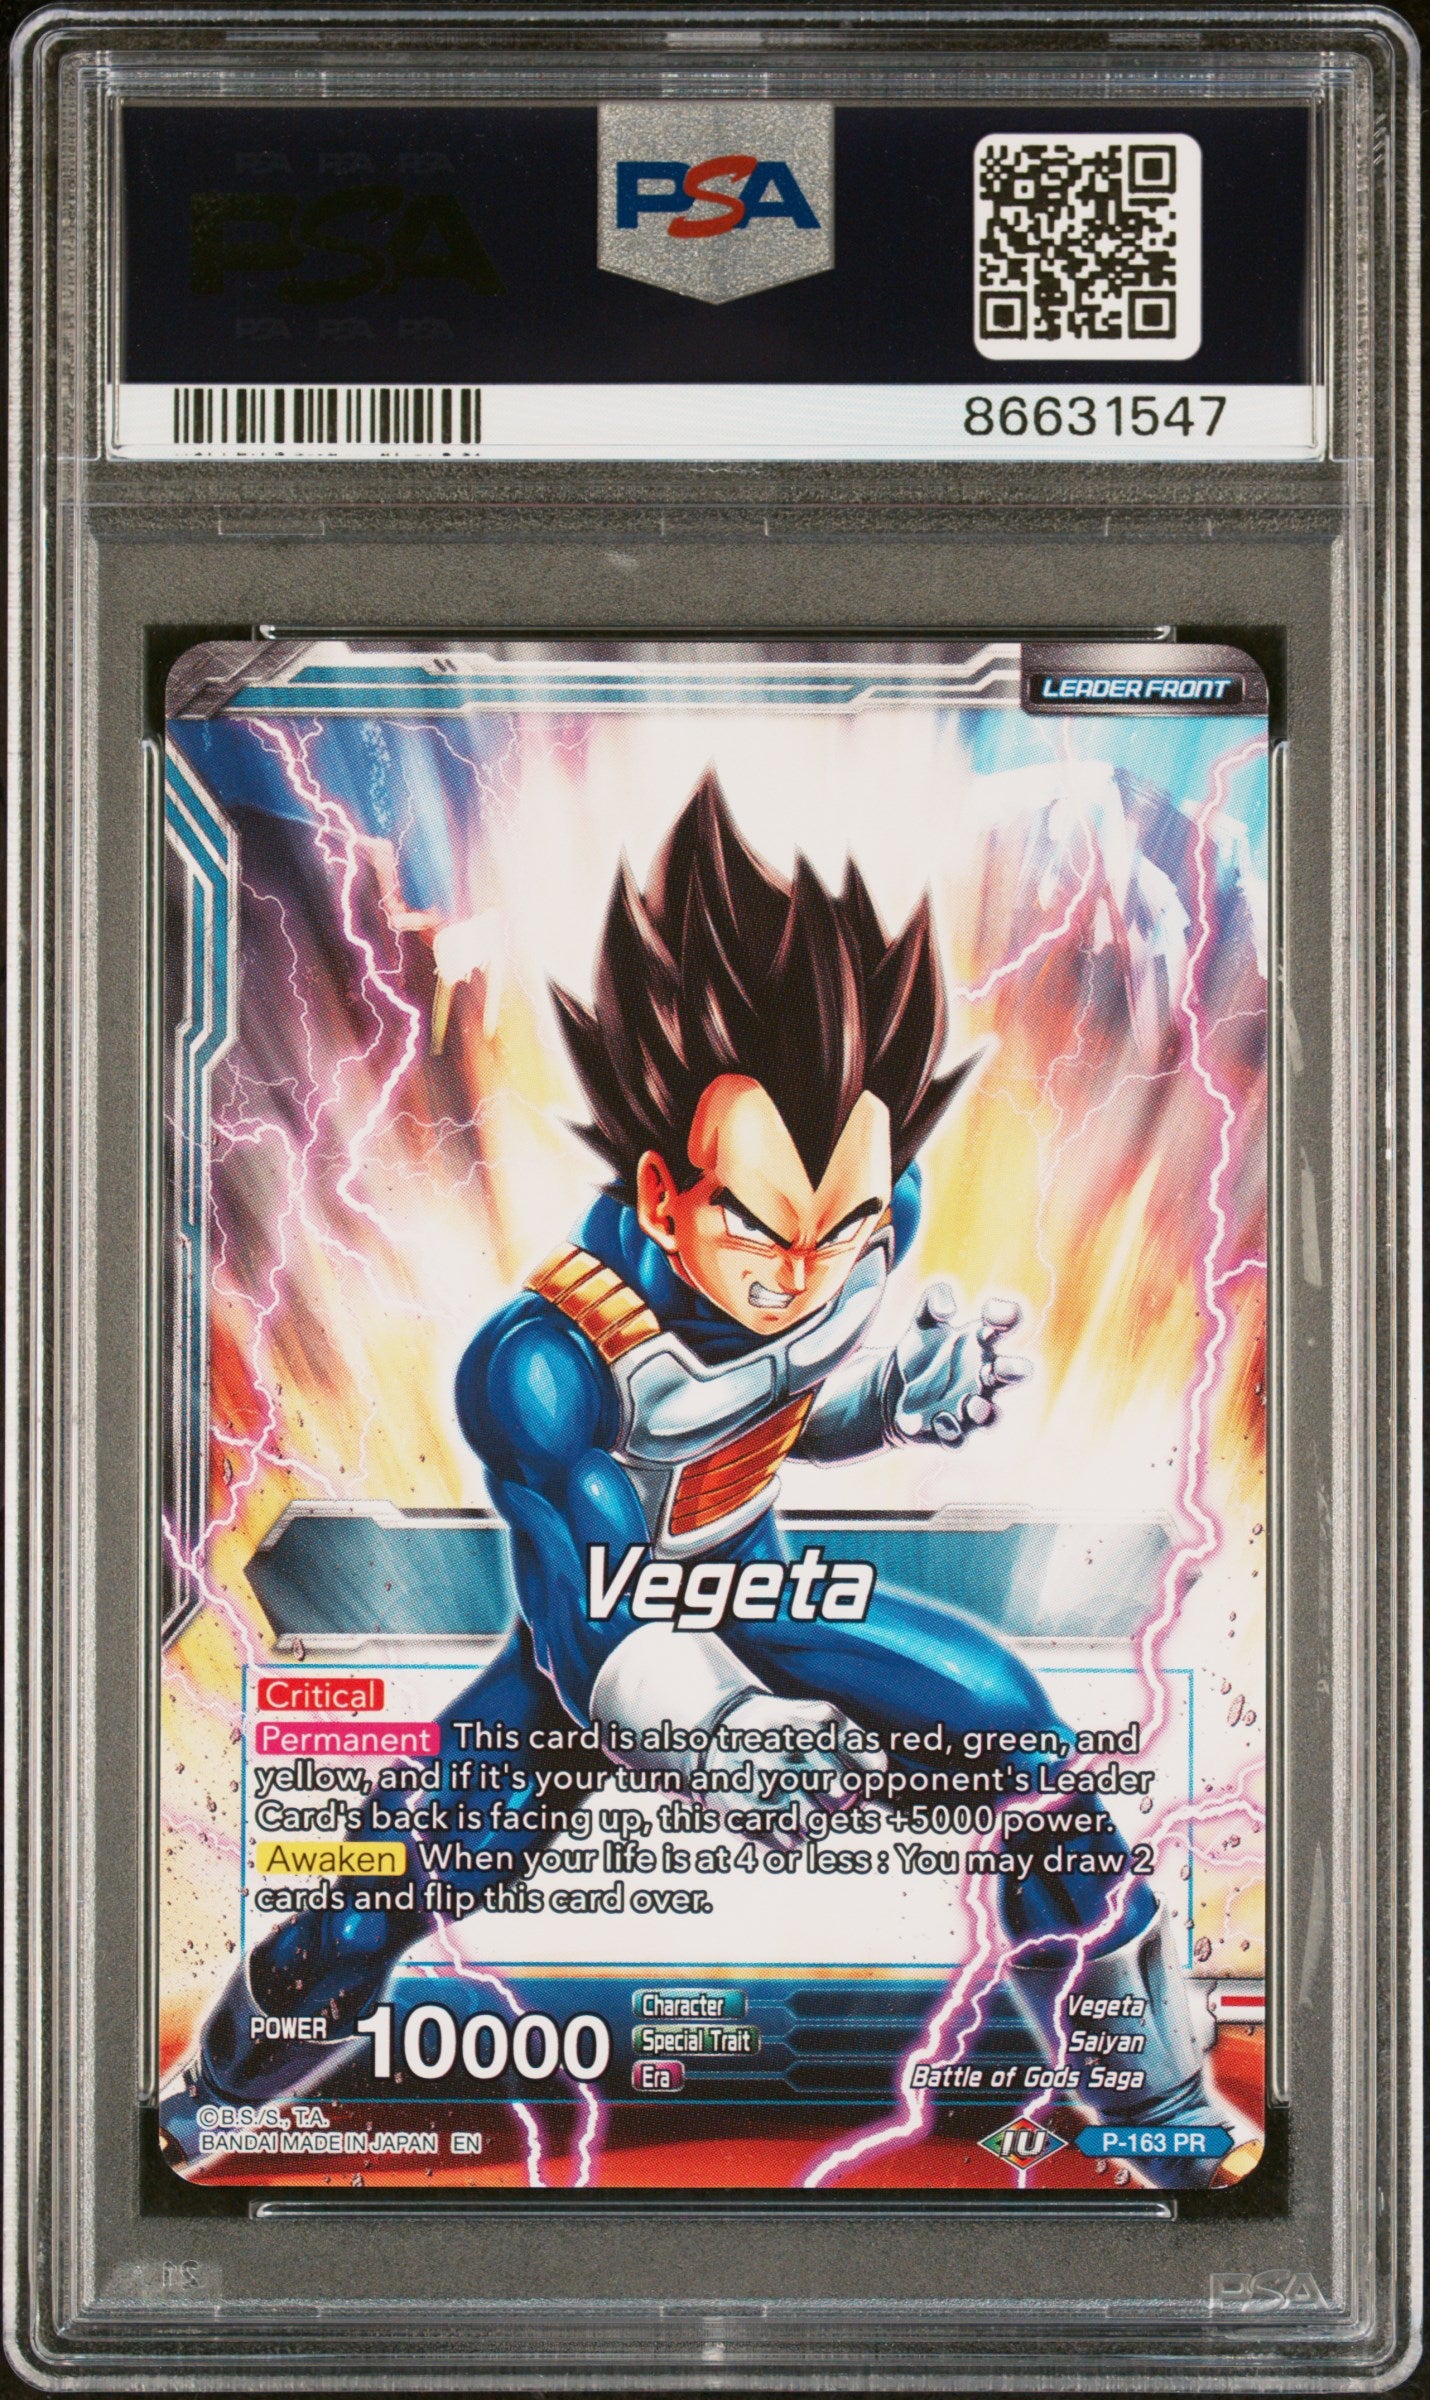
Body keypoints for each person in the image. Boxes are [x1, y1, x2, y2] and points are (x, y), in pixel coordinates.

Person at [162, 773, 1236, 2186]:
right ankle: (212, 2105)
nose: (807, 1273)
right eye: (764, 1231)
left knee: (1024, 1752)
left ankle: (1155, 2108)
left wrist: (883, 1399)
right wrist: (713, 1723)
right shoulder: (546, 1363)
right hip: (587, 1670)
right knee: (374, 1907)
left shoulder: (862, 1220)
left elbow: (777, 1392)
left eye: (844, 1230)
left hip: (767, 1596)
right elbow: (591, 1607)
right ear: (664, 1196)